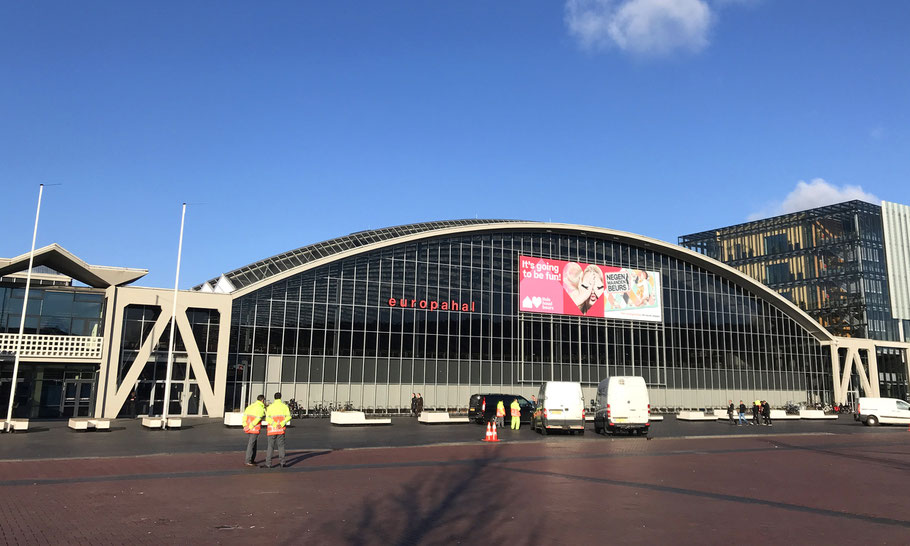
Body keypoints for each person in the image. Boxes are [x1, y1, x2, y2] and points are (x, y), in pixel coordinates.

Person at [263, 392, 291, 469]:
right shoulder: (284, 406)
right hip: (280, 429)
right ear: (280, 397)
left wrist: (274, 424)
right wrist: (281, 424)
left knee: (270, 446)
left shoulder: (270, 407)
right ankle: (282, 462)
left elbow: (267, 418)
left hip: (272, 429)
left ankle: (268, 463)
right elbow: (288, 417)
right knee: (281, 446)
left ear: (274, 397)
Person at [242, 394, 267, 467]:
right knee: (251, 444)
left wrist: (245, 425)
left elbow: (245, 416)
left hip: (248, 427)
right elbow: (258, 418)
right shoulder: (260, 408)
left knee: (253, 443)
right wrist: (251, 426)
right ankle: (248, 460)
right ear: (262, 400)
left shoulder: (250, 406)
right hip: (254, 428)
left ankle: (252, 459)